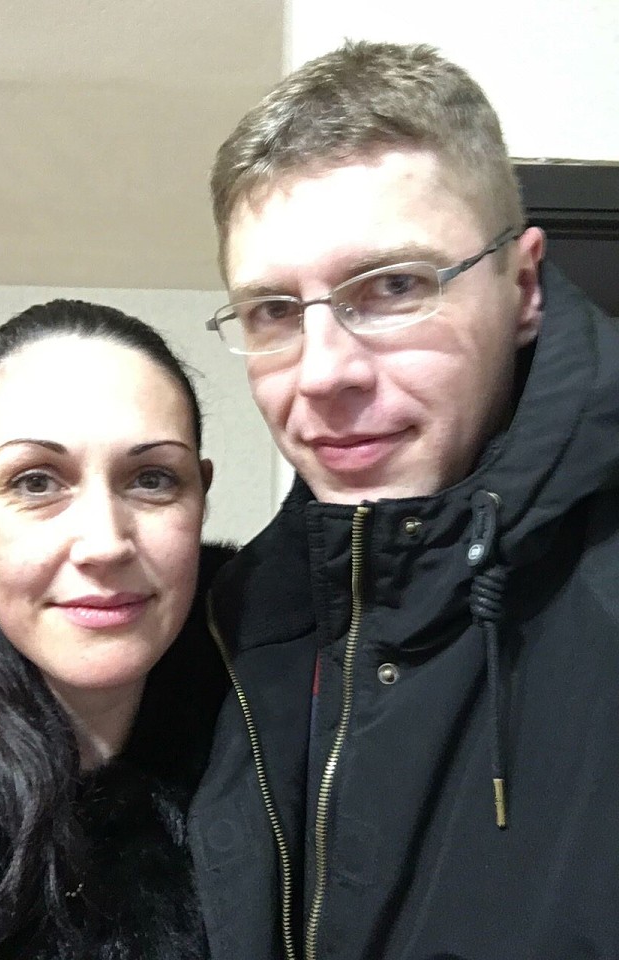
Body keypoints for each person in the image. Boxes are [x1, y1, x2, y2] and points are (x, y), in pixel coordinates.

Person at [191, 40, 619, 960]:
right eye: (273, 311)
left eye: (392, 287)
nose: (323, 374)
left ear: (523, 286)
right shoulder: (236, 622)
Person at [0, 299, 233, 959]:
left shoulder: (291, 720)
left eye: (152, 479)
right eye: (35, 482)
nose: (104, 544)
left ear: (200, 496)